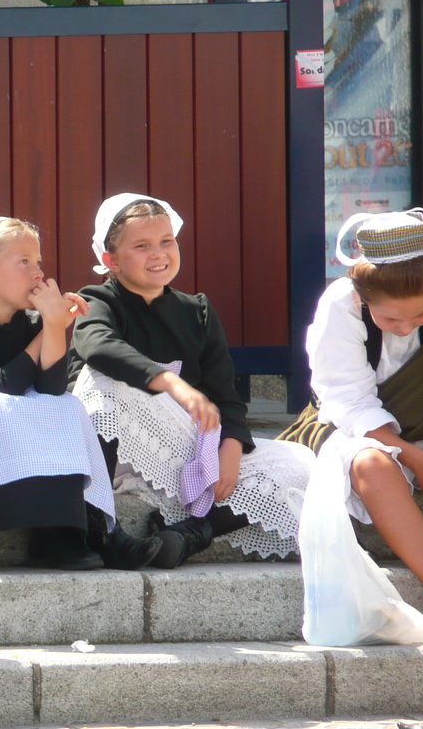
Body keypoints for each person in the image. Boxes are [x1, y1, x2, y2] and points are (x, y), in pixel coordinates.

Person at [0, 217, 161, 573]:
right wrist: (48, 329)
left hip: (7, 421)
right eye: (24, 262)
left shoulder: (32, 323)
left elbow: (51, 389)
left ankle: (63, 533)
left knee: (67, 408)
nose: (38, 273)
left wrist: (52, 325)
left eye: (38, 262)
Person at [69, 194, 313, 568]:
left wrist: (231, 448)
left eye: (167, 241)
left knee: (299, 463)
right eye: (142, 246)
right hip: (111, 452)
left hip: (181, 446)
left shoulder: (195, 310)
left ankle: (189, 534)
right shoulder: (99, 301)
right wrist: (170, 382)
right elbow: (97, 346)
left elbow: (225, 393)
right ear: (110, 261)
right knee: (102, 378)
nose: (159, 253)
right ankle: (97, 527)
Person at [285, 208, 423, 591]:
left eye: (420, 314)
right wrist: (414, 457)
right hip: (350, 426)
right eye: (390, 320)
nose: (405, 328)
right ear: (364, 299)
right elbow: (348, 401)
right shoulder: (342, 305)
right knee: (371, 466)